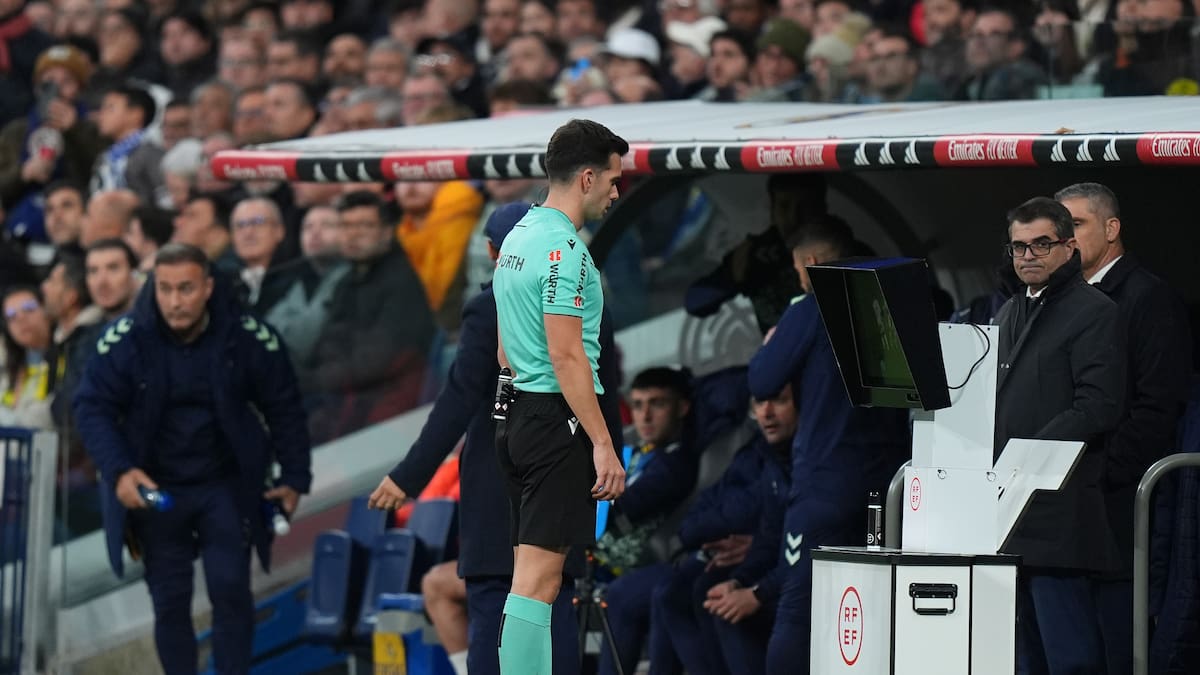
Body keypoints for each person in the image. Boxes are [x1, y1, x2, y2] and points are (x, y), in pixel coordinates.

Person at [368, 201, 626, 675]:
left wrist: (408, 477)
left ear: (492, 252)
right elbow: (606, 395)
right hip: (567, 471)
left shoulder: (490, 306)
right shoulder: (588, 302)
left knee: (494, 605)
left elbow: (459, 398)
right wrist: (608, 463)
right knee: (552, 603)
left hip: (498, 477)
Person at [73, 242, 312, 675]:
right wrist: (120, 470)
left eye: (185, 289)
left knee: (231, 590)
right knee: (169, 601)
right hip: (156, 489)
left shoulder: (246, 336)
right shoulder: (126, 339)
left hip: (224, 485)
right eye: (164, 289)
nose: (174, 301)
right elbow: (90, 407)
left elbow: (285, 405)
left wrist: (295, 476)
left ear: (207, 287)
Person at [491, 119, 628, 674]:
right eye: (615, 180)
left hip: (517, 415)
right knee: (540, 584)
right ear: (588, 177)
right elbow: (568, 353)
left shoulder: (517, 237)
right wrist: (601, 442)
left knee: (527, 580)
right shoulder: (565, 250)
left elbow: (504, 348)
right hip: (556, 421)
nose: (618, 192)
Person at [748, 215, 911, 674]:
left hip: (824, 483)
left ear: (813, 263)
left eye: (799, 270)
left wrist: (780, 334)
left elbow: (763, 379)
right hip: (887, 488)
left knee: (799, 610)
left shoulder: (814, 304)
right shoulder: (890, 298)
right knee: (871, 613)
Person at [1053, 183, 1193, 673]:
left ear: (1111, 229)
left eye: (1076, 225)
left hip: (1117, 510)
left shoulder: (1149, 299)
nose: (1063, 239)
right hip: (1064, 509)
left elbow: (1158, 406)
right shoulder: (1054, 300)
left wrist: (1101, 472)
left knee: (1117, 646)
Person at [993, 196, 1126, 675]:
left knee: (1069, 657)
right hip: (1006, 510)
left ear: (1069, 247)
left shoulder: (1095, 312)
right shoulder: (1009, 311)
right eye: (1019, 247)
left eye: (1041, 244)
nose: (1028, 255)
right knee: (1023, 656)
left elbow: (1098, 405)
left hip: (1059, 509)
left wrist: (1026, 456)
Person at [596, 366, 700, 675]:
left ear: (681, 407)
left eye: (657, 403)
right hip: (595, 558)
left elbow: (624, 503)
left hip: (629, 566)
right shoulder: (635, 452)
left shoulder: (675, 463)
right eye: (639, 405)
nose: (646, 416)